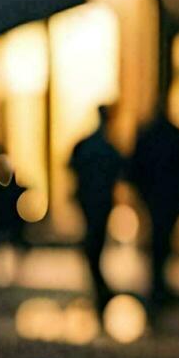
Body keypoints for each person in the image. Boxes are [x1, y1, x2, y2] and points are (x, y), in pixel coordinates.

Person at [129, 114, 179, 309]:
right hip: (165, 195)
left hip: (159, 195)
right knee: (161, 240)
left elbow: (136, 167)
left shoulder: (151, 134)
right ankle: (158, 284)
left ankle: (158, 284)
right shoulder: (173, 135)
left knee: (161, 240)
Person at [69, 107, 124, 301]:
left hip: (92, 198)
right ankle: (98, 283)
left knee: (94, 240)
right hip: (97, 199)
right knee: (95, 240)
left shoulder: (89, 144)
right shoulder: (104, 146)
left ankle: (98, 282)